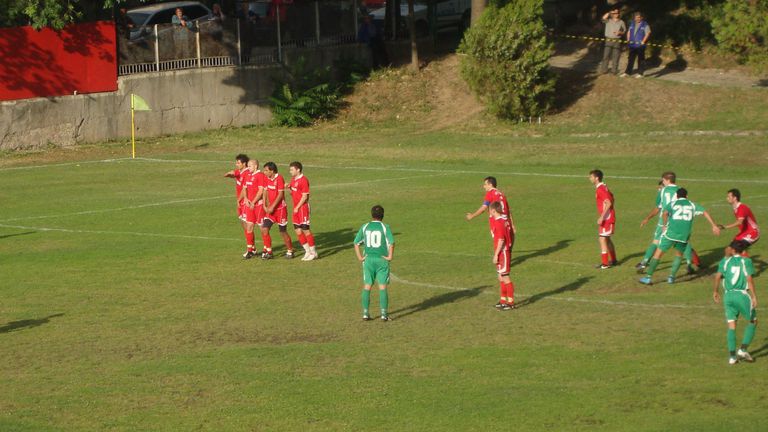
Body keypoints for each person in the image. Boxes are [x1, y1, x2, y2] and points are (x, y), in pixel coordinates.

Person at [640, 188, 720, 285]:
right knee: (679, 255)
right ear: (687, 196)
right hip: (683, 236)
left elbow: (664, 213)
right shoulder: (692, 205)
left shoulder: (673, 204)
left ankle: (648, 277)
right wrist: (713, 225)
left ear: (677, 196)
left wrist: (664, 225)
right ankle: (671, 277)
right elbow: (705, 212)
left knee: (658, 254)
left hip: (670, 234)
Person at [637, 172, 700, 272]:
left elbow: (658, 208)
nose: (662, 182)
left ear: (667, 180)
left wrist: (647, 218)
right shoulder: (680, 190)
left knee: (656, 242)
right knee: (685, 242)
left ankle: (644, 263)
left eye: (663, 180)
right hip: (677, 220)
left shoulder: (662, 190)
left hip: (664, 221)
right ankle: (689, 264)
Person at [713, 240, 758, 365]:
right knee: (753, 321)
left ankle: (732, 357)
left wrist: (715, 291)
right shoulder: (746, 261)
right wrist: (754, 296)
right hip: (741, 295)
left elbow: (717, 276)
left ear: (732, 250)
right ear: (743, 250)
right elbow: (749, 279)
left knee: (732, 325)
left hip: (728, 296)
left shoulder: (725, 261)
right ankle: (743, 350)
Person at [354, 205, 395, 321]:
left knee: (367, 285)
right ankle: (384, 315)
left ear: (372, 215)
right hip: (381, 260)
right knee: (382, 286)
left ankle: (365, 314)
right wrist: (390, 256)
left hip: (368, 260)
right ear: (383, 215)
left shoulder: (365, 226)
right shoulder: (385, 227)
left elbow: (356, 243)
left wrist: (360, 257)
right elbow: (391, 243)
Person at [465, 176, 516, 244]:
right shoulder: (502, 194)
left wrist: (472, 215)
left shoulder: (490, 193)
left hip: (497, 222)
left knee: (499, 242)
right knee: (507, 243)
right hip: (506, 222)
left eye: (485, 184)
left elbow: (483, 208)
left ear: (490, 185)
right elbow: (508, 211)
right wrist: (512, 225)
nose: (484, 186)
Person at [260, 162, 294, 260]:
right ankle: (269, 252)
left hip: (280, 210)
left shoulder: (279, 178)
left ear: (272, 171)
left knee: (282, 232)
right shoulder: (266, 178)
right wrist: (264, 205)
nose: (264, 172)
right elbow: (265, 191)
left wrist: (272, 207)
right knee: (264, 228)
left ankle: (290, 251)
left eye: (266, 170)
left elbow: (280, 195)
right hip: (270, 210)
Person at [489, 202, 516, 310]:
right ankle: (503, 300)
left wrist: (496, 255)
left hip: (503, 252)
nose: (489, 213)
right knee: (500, 276)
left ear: (493, 210)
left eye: (490, 210)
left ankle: (511, 303)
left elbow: (501, 240)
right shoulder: (503, 220)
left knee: (505, 277)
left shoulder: (499, 222)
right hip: (503, 251)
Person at [289, 162, 317, 261]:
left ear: (298, 170)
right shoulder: (293, 180)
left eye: (292, 169)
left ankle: (313, 252)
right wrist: (289, 188)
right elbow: (293, 192)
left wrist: (297, 207)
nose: (290, 171)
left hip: (302, 208)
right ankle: (307, 251)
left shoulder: (304, 180)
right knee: (297, 230)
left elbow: (305, 196)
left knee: (305, 230)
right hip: (296, 208)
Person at [718, 189, 760, 256]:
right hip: (744, 232)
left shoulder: (741, 208)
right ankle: (726, 263)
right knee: (728, 250)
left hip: (753, 233)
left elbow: (739, 222)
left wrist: (725, 227)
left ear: (735, 198)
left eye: (729, 197)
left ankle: (746, 262)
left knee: (734, 251)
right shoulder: (735, 207)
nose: (727, 198)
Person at [589, 169, 617, 269]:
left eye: (591, 177)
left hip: (606, 219)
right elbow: (612, 198)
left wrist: (602, 217)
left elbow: (609, 202)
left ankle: (605, 264)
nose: (590, 178)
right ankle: (613, 260)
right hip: (609, 217)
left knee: (602, 239)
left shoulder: (600, 189)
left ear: (596, 178)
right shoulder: (604, 187)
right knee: (607, 239)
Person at [224, 154, 250, 257]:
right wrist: (230, 174)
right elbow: (232, 173)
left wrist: (239, 200)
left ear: (244, 164)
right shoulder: (240, 172)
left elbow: (245, 189)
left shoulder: (247, 173)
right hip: (240, 202)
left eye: (238, 163)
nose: (236, 164)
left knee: (248, 225)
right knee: (243, 224)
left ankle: (251, 248)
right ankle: (251, 247)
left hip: (245, 201)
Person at [242, 159, 267, 259]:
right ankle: (250, 250)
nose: (248, 168)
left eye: (250, 166)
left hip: (258, 206)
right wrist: (245, 198)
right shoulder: (248, 175)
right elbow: (244, 188)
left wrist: (253, 202)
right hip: (249, 205)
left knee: (262, 228)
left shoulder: (260, 175)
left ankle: (266, 249)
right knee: (249, 227)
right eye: (248, 166)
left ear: (255, 166)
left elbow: (261, 191)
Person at [621, 12, 651, 78]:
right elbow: (629, 32)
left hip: (640, 45)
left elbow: (648, 33)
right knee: (630, 59)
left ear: (641, 18)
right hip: (632, 45)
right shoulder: (632, 23)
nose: (637, 19)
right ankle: (627, 73)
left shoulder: (645, 24)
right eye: (636, 17)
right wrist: (628, 40)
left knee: (641, 60)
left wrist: (643, 41)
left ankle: (640, 74)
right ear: (634, 18)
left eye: (639, 17)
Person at [599, 8, 626, 75]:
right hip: (608, 40)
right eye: (614, 13)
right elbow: (603, 18)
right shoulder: (608, 20)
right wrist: (609, 12)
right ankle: (604, 70)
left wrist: (620, 32)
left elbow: (624, 31)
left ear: (619, 14)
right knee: (606, 55)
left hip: (617, 40)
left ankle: (614, 71)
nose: (616, 14)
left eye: (617, 13)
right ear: (612, 14)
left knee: (616, 56)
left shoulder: (621, 22)